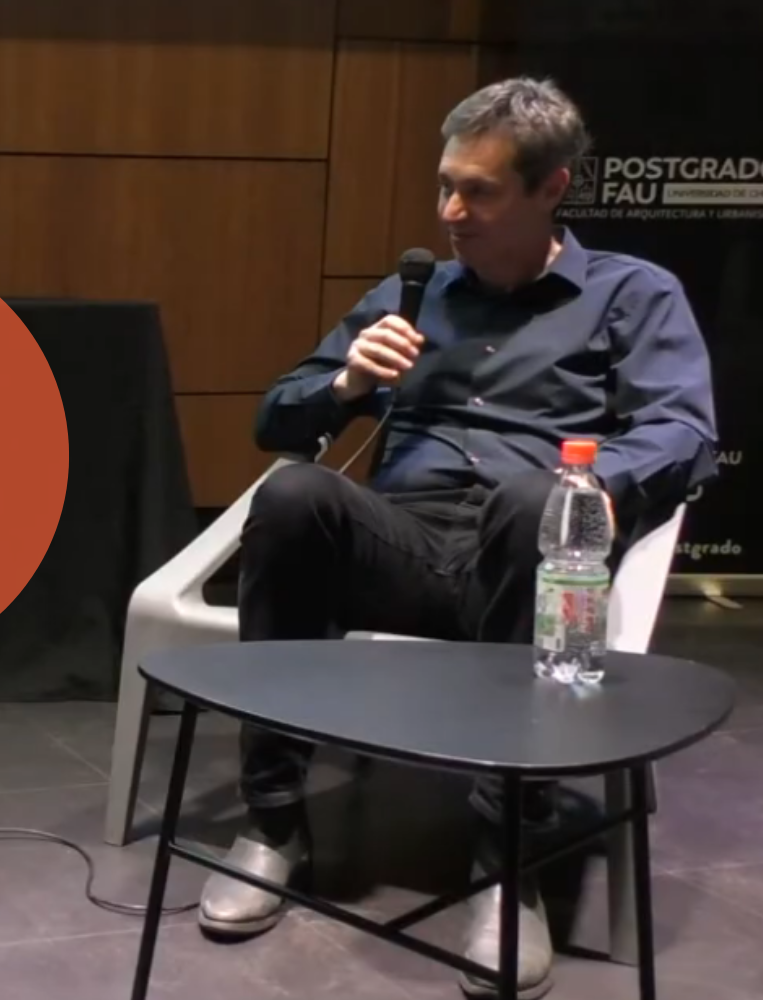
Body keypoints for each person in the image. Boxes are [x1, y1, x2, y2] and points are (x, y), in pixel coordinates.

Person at [195, 78, 717, 999]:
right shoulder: (412, 295)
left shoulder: (632, 294)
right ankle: (273, 821)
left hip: (534, 551)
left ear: (551, 189)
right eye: (445, 185)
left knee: (530, 501)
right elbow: (277, 421)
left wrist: (587, 488)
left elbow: (684, 433)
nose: (450, 212)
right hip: (407, 541)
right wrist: (347, 384)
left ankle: (508, 862)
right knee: (295, 495)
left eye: (479, 192)